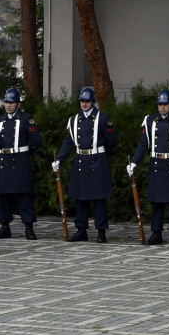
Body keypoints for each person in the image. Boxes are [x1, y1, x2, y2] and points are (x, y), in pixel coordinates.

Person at [129, 90, 169, 246]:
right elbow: (144, 144)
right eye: (160, 104)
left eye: (165, 104)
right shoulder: (150, 120)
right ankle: (156, 233)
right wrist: (134, 162)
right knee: (156, 201)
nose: (162, 107)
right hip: (157, 164)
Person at [53, 86, 116, 242]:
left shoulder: (102, 118)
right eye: (82, 101)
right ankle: (81, 230)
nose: (84, 104)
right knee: (80, 198)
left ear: (92, 101)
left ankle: (101, 231)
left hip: (98, 160)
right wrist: (60, 159)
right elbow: (68, 142)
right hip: (81, 160)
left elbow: (111, 141)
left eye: (87, 101)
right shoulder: (74, 120)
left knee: (100, 199)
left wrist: (98, 152)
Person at [0, 87, 41, 240]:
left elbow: (36, 141)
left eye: (11, 102)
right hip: (4, 160)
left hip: (20, 160)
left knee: (24, 195)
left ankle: (28, 227)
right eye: (6, 102)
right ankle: (4, 226)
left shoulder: (26, 119)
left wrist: (24, 153)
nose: (8, 105)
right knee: (3, 196)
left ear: (17, 104)